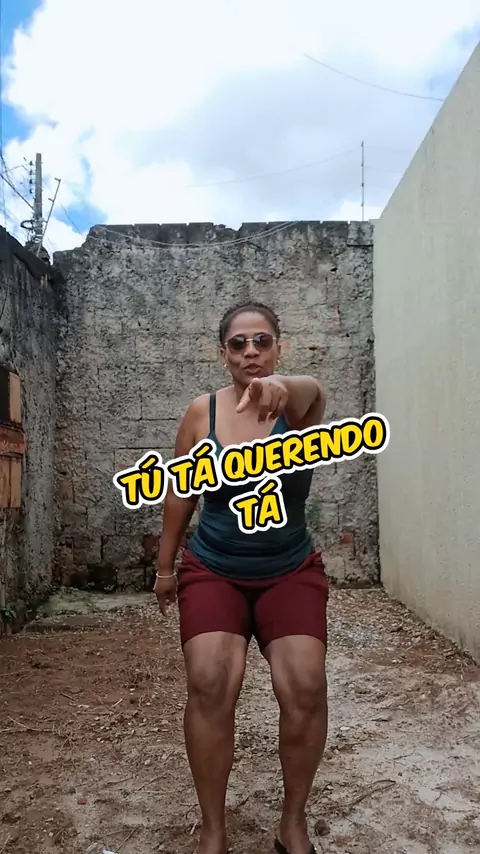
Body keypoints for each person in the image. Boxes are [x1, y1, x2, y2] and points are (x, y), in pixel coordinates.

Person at [154, 301, 329, 854]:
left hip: (289, 570)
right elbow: (179, 491)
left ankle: (292, 823)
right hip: (214, 569)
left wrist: (284, 385)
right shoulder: (200, 414)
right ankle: (213, 830)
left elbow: (313, 392)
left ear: (279, 347)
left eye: (262, 341)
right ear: (223, 353)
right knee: (210, 684)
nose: (250, 351)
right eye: (238, 343)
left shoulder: (297, 407)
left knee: (305, 687)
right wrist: (165, 567)